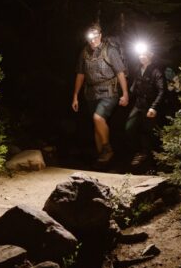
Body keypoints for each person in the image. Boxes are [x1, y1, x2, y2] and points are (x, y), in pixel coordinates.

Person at [71, 24, 128, 164]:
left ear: (100, 36)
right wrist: (75, 96)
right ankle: (102, 159)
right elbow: (80, 74)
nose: (93, 40)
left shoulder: (110, 50)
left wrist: (125, 93)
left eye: (95, 37)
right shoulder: (84, 53)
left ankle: (107, 149)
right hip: (91, 93)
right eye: (90, 38)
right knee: (97, 126)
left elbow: (120, 72)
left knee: (98, 118)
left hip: (109, 92)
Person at [124, 41, 166, 170]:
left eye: (144, 54)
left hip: (150, 105)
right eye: (140, 54)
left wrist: (154, 107)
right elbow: (134, 86)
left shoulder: (156, 71)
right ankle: (140, 152)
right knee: (129, 127)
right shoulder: (138, 69)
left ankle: (151, 159)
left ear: (150, 55)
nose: (141, 56)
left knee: (148, 132)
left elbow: (162, 90)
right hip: (138, 104)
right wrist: (126, 96)